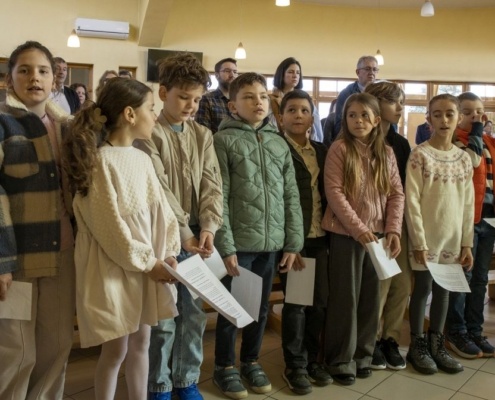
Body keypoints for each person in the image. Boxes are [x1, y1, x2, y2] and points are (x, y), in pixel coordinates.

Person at [64, 77, 180, 400]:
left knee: (142, 343)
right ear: (130, 114)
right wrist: (149, 263)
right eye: (151, 109)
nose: (154, 116)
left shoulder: (142, 158)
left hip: (148, 267)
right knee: (115, 350)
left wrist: (169, 253)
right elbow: (110, 229)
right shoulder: (101, 161)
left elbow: (163, 212)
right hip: (114, 268)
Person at [135, 53, 224, 400]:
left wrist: (209, 227)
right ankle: (159, 385)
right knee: (164, 316)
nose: (191, 105)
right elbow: (158, 188)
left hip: (198, 239)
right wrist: (184, 234)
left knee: (194, 314)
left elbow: (212, 184)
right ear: (163, 93)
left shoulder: (203, 134)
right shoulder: (148, 133)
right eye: (183, 97)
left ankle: (186, 381)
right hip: (164, 238)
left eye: (197, 99)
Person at [213, 72, 304, 399]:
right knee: (232, 308)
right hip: (238, 245)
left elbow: (291, 195)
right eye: (249, 97)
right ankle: (224, 366)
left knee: (260, 308)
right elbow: (218, 197)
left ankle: (250, 361)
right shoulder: (222, 141)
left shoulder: (278, 142)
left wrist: (293, 242)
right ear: (232, 105)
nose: (258, 102)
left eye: (263, 96)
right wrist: (225, 246)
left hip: (271, 243)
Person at [0, 41, 75, 400]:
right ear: (9, 79)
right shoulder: (3, 123)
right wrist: (2, 261)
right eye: (25, 70)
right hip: (18, 261)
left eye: (43, 71)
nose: (35, 78)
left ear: (54, 79)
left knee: (57, 345)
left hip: (63, 253)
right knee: (16, 351)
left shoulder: (67, 128)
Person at [322, 92, 404, 386]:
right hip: (347, 236)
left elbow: (396, 193)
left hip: (379, 237)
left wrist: (393, 230)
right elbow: (334, 192)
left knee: (371, 298)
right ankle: (340, 359)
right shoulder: (339, 149)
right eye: (352, 115)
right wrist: (358, 229)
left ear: (377, 120)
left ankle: (363, 356)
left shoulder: (387, 152)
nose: (358, 121)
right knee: (346, 298)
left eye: (364, 115)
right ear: (344, 119)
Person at [405, 93, 474, 375]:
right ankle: (417, 345)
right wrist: (419, 241)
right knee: (422, 290)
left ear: (458, 117)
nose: (444, 120)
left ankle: (437, 344)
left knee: (444, 292)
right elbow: (412, 201)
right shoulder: (420, 155)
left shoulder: (464, 158)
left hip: (453, 239)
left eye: (449, 114)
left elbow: (468, 204)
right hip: (426, 239)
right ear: (429, 119)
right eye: (437, 114)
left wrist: (466, 243)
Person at [276, 89, 332, 395]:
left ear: (312, 118)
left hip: (320, 237)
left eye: (304, 110)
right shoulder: (276, 148)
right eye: (292, 110)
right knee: (297, 303)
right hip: (293, 240)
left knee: (319, 303)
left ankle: (312, 360)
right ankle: (294, 365)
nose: (298, 115)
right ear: (280, 117)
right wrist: (290, 241)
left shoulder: (323, 151)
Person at [364, 81, 412, 371]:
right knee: (378, 286)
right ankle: (369, 342)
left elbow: (401, 190)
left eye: (402, 102)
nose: (400, 108)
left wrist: (397, 225)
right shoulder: (358, 138)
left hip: (397, 223)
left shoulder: (401, 144)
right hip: (370, 226)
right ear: (376, 103)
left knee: (401, 284)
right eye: (395, 102)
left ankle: (390, 339)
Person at [446, 92, 495, 359]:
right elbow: (471, 163)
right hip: (467, 220)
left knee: (480, 278)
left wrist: (482, 132)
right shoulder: (457, 142)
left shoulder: (488, 141)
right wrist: (476, 130)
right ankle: (456, 330)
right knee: (463, 276)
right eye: (467, 112)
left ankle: (475, 329)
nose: (475, 116)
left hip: (489, 220)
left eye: (479, 111)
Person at [269, 57, 323, 142]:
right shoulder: (271, 100)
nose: (295, 76)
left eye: (298, 73)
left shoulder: (306, 101)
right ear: (281, 74)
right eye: (290, 72)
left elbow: (317, 131)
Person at [330, 56, 379, 141]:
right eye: (367, 69)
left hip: (376, 140)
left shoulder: (381, 93)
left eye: (375, 69)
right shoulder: (346, 94)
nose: (371, 72)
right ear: (358, 72)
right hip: (351, 141)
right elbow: (340, 123)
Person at [195, 57, 237, 133]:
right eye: (227, 71)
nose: (232, 75)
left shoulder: (240, 100)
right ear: (217, 75)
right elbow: (202, 133)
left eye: (235, 72)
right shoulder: (206, 99)